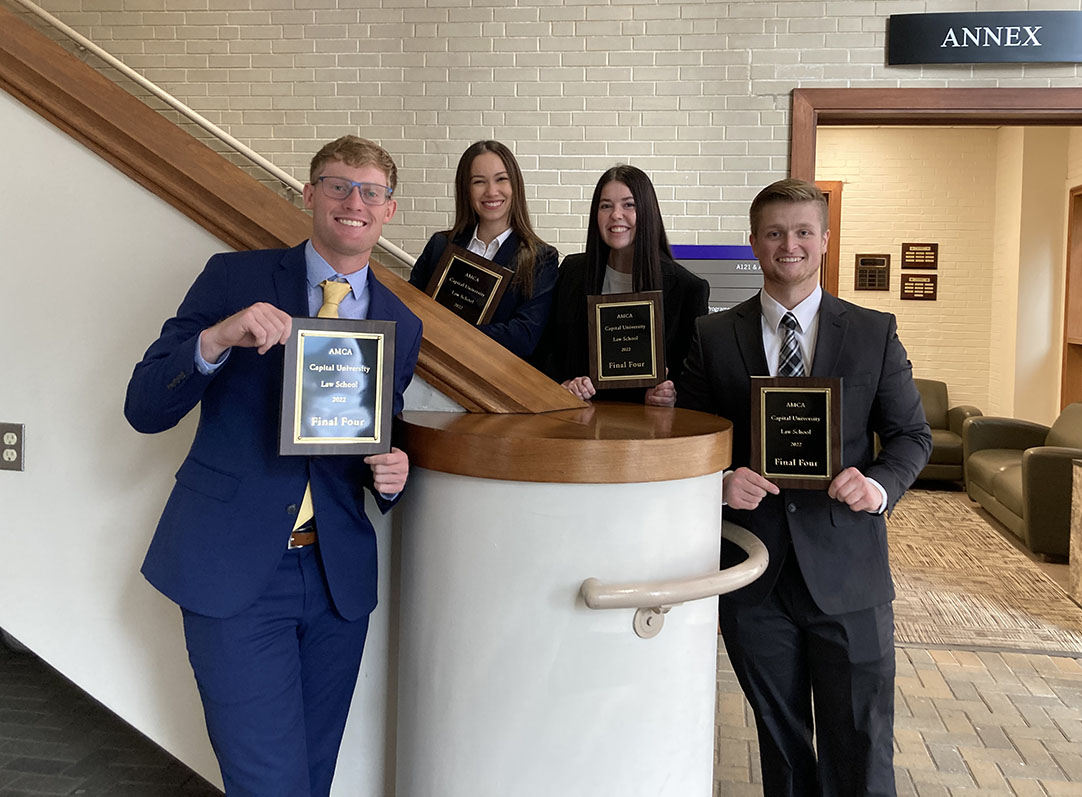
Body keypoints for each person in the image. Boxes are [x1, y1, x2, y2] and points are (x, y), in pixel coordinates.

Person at [124, 135, 423, 797]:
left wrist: (395, 471)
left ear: (389, 210)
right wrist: (217, 338)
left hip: (336, 578)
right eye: (338, 184)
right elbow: (144, 406)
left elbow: (379, 437)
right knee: (269, 784)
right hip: (233, 570)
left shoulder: (399, 320)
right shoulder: (234, 279)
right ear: (310, 194)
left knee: (310, 781)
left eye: (370, 191)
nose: (354, 201)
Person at [676, 178, 931, 796]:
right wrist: (719, 481)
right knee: (782, 748)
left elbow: (911, 437)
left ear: (822, 241)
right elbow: (684, 441)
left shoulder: (873, 332)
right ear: (755, 244)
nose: (788, 244)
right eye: (774, 233)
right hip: (755, 578)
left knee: (861, 746)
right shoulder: (714, 337)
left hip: (848, 575)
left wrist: (877, 485)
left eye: (802, 232)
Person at [539, 164, 709, 405]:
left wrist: (669, 396)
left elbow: (695, 384)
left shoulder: (687, 289)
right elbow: (548, 350)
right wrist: (564, 385)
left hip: (648, 431)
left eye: (629, 205)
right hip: (578, 424)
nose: (616, 215)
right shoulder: (571, 272)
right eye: (606, 206)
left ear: (647, 212)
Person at [407, 139, 558, 359]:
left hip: (495, 383)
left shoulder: (540, 258)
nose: (491, 191)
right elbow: (412, 308)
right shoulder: (440, 246)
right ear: (466, 190)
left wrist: (446, 333)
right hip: (432, 373)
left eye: (501, 179)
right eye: (479, 182)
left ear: (515, 185)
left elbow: (522, 338)